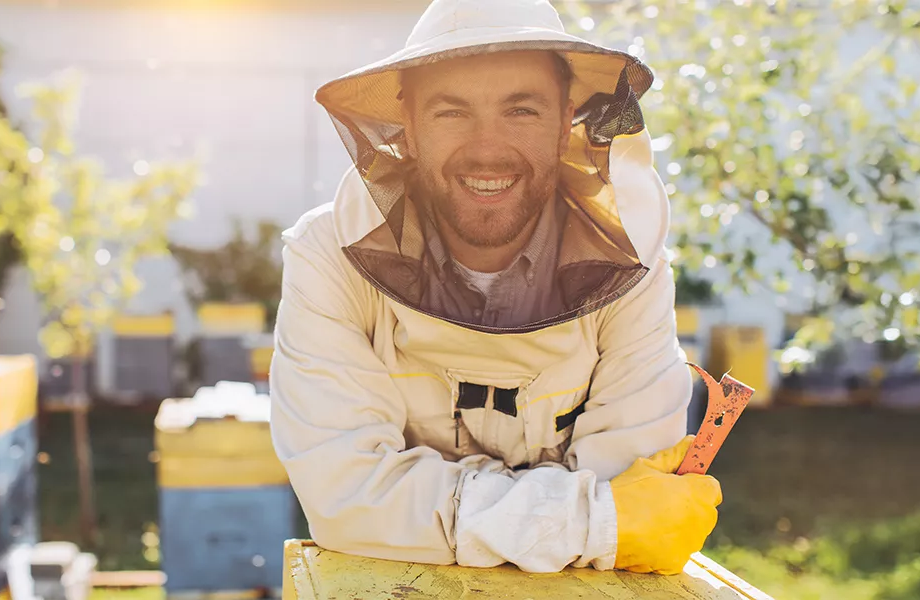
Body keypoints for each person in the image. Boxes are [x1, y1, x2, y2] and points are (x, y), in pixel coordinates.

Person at [270, 0, 722, 575]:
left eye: (521, 110)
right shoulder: (328, 256)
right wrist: (590, 524)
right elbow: (346, 495)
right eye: (451, 112)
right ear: (408, 128)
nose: (487, 149)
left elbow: (628, 482)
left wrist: (423, 508)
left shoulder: (629, 265)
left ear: (566, 121)